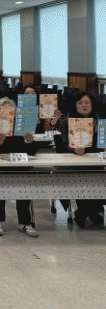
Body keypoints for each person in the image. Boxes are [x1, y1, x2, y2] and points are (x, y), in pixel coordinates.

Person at [0, 98, 39, 237]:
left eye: (10, 111)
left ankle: (25, 222)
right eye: (2, 110)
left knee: (25, 186)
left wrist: (29, 142)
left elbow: (33, 151)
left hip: (19, 167)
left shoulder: (20, 128)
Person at [57, 91, 105, 227]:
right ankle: (89, 211)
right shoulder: (68, 122)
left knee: (97, 178)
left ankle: (85, 212)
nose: (84, 106)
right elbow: (64, 144)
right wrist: (74, 150)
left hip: (97, 163)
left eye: (87, 102)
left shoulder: (100, 121)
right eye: (80, 103)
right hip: (76, 162)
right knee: (82, 178)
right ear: (75, 105)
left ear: (92, 104)